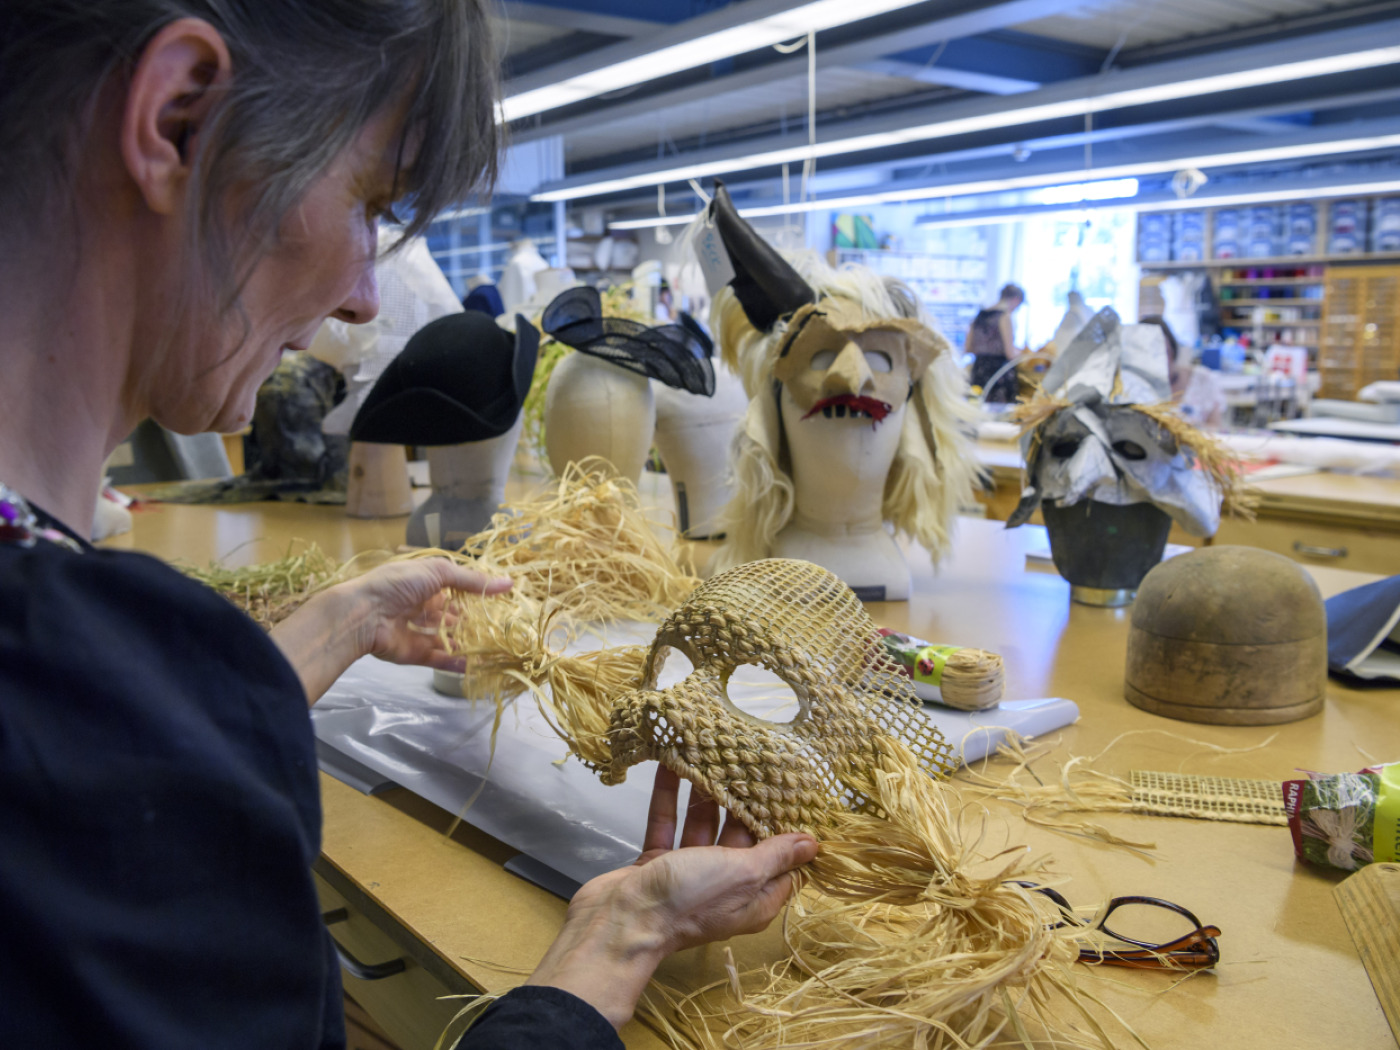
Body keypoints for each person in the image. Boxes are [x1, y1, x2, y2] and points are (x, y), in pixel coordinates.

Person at [0, 5, 817, 1049]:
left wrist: (323, 632)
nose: (361, 294)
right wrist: (617, 939)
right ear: (179, 118)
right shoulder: (68, 717)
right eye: (369, 204)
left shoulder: (85, 689)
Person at [966, 283, 1025, 404]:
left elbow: (968, 348)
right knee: (1000, 412)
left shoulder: (980, 315)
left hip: (978, 370)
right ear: (1016, 300)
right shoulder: (1004, 316)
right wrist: (1024, 355)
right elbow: (1010, 353)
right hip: (999, 374)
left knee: (977, 406)